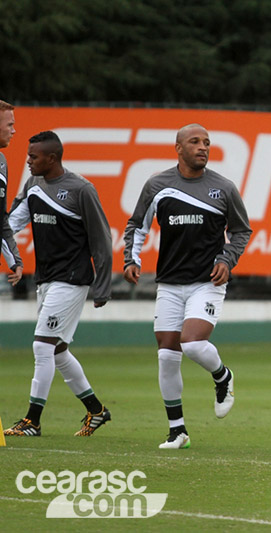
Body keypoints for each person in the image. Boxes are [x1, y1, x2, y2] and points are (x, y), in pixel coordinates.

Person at [123, 124, 252, 449]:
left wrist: (227, 259)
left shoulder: (223, 188)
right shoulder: (158, 185)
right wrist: (130, 259)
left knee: (192, 343)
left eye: (207, 142)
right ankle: (177, 430)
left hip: (206, 283)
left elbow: (241, 231)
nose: (203, 147)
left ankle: (223, 377)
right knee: (167, 355)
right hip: (169, 282)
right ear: (178, 147)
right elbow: (137, 225)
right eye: (195, 142)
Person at [3, 131, 113, 437]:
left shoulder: (81, 190)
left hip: (73, 278)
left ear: (52, 158)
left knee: (42, 345)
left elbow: (102, 239)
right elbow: (11, 223)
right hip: (47, 279)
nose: (28, 161)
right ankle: (97, 410)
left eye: (34, 157)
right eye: (28, 156)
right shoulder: (33, 186)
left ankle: (32, 421)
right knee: (58, 350)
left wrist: (103, 285)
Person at [0, 100, 23, 287]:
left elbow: (1, 219)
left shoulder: (1, 162)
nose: (13, 131)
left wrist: (15, 260)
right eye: (10, 125)